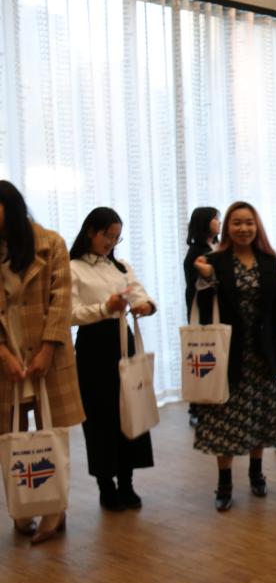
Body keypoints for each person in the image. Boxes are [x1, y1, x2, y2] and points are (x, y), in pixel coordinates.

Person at [0, 181, 84, 544]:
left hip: (49, 352)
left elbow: (61, 300)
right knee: (10, 434)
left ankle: (54, 510)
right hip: (7, 353)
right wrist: (3, 353)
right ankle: (22, 508)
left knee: (54, 433)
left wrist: (48, 349)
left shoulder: (51, 243)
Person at [193, 201, 276, 511]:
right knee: (225, 419)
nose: (243, 228)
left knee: (258, 415)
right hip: (227, 354)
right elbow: (203, 310)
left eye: (249, 222)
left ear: (256, 226)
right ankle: (224, 483)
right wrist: (206, 278)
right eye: (237, 223)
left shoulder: (269, 260)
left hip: (261, 354)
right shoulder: (213, 260)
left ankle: (256, 473)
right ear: (227, 228)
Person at [69, 207, 157, 512]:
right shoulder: (73, 268)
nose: (111, 243)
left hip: (123, 341)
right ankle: (106, 486)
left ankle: (128, 483)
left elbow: (140, 295)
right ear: (91, 232)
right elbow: (69, 315)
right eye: (108, 235)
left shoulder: (121, 266)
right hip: (93, 347)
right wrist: (104, 308)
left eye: (117, 238)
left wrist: (146, 306)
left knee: (130, 410)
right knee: (100, 418)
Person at [183, 207, 220, 427]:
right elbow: (196, 286)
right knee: (202, 359)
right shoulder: (197, 251)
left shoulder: (215, 246)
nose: (219, 222)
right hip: (203, 313)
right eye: (215, 218)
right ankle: (196, 407)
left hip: (215, 310)